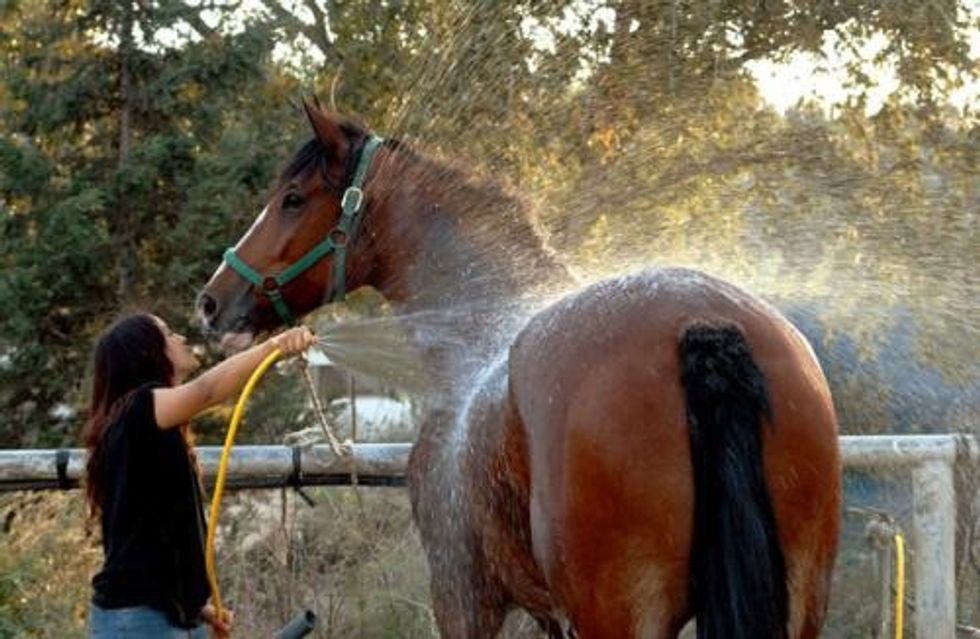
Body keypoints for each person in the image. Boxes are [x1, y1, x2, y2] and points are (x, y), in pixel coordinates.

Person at [83, 312, 316, 638]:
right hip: (137, 622)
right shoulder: (138, 409)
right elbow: (206, 391)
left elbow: (147, 539)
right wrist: (274, 347)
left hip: (162, 616)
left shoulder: (138, 425)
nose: (180, 338)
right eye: (167, 333)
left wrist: (199, 609)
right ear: (147, 352)